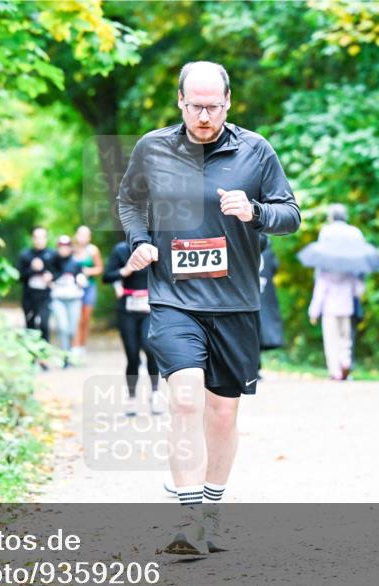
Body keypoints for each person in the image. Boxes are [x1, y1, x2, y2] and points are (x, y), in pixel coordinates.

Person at [117, 61, 300, 555]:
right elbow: (129, 200)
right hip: (173, 297)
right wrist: (140, 241)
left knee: (221, 414)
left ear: (228, 102)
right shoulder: (153, 147)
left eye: (213, 107)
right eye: (195, 106)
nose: (204, 115)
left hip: (236, 302)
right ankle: (190, 518)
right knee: (183, 400)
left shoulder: (255, 150)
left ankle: (213, 512)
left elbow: (291, 215)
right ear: (180, 101)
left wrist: (256, 212)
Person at [103, 239, 164, 416]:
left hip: (149, 308)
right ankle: (131, 398)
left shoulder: (155, 247)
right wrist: (125, 271)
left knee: (150, 348)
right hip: (127, 309)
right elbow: (107, 276)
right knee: (132, 355)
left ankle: (155, 393)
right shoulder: (121, 250)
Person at [307, 204, 366, 381]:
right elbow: (360, 271)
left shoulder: (326, 233)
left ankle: (335, 371)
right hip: (347, 306)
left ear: (331, 217)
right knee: (346, 339)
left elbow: (319, 289)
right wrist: (359, 291)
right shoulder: (356, 233)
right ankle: (346, 362)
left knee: (331, 340)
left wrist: (313, 312)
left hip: (329, 308)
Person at [49, 235, 88, 366]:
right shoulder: (52, 261)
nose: (64, 249)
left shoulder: (76, 263)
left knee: (71, 329)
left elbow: (81, 277)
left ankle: (70, 353)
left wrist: (80, 280)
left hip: (74, 299)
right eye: (61, 247)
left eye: (66, 247)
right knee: (62, 327)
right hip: (58, 298)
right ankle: (65, 357)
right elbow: (49, 277)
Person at [16, 226, 55, 344]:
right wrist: (32, 269)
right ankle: (32, 357)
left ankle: (44, 356)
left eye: (42, 237)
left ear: (46, 238)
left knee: (44, 324)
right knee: (30, 326)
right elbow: (18, 277)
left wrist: (50, 277)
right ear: (32, 239)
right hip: (29, 297)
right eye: (36, 237)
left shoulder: (52, 255)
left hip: (46, 297)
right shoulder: (25, 255)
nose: (39, 240)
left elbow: (59, 273)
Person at [71, 225, 103, 359]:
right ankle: (74, 348)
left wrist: (88, 271)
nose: (82, 237)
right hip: (73, 288)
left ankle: (82, 346)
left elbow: (99, 268)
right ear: (76, 235)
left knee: (85, 318)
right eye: (80, 234)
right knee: (76, 318)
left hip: (89, 287)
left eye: (85, 235)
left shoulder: (93, 250)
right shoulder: (71, 250)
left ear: (89, 237)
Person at [257, 240, 285, 379]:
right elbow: (275, 267)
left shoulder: (241, 245)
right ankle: (256, 368)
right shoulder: (268, 251)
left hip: (247, 294)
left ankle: (253, 368)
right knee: (261, 330)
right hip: (265, 294)